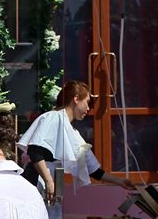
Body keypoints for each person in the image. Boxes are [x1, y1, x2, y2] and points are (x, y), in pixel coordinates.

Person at [19, 80, 136, 208]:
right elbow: (35, 150)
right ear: (76, 99)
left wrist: (120, 181)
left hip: (55, 177)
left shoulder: (73, 132)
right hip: (38, 178)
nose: (88, 108)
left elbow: (94, 170)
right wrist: (48, 181)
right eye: (87, 102)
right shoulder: (52, 117)